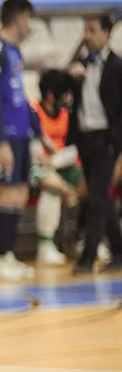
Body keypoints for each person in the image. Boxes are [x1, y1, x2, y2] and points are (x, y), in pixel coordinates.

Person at [0, 0, 50, 280]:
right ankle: (1, 256)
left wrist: (38, 132)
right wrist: (2, 142)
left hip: (21, 132)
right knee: (8, 192)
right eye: (28, 18)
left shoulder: (14, 50)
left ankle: (9, 254)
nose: (29, 25)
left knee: (20, 193)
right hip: (5, 134)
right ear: (18, 18)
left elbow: (21, 97)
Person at [68, 14, 122, 274]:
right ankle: (119, 249)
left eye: (92, 30)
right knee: (101, 198)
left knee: (97, 199)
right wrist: (70, 77)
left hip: (105, 140)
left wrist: (116, 143)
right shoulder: (80, 66)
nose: (87, 35)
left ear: (107, 33)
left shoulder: (117, 66)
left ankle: (87, 257)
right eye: (84, 30)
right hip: (85, 140)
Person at [29, 69, 83, 265]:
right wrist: (48, 161)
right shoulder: (33, 111)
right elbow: (33, 149)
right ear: (51, 94)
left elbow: (73, 148)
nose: (67, 97)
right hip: (36, 168)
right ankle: (45, 246)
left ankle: (82, 236)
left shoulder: (66, 114)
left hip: (61, 163)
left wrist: (55, 161)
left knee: (92, 184)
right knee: (52, 189)